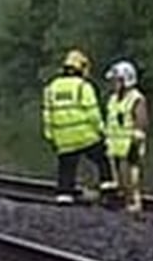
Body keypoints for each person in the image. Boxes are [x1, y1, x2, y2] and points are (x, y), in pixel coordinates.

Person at [42, 49, 114, 204]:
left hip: (63, 138)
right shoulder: (83, 86)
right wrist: (102, 130)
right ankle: (108, 191)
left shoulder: (51, 88)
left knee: (66, 166)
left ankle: (64, 195)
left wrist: (51, 136)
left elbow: (48, 114)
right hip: (85, 136)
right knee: (102, 159)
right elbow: (93, 113)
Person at [103, 60, 149, 213]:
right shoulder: (112, 99)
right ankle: (122, 202)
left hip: (130, 146)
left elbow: (141, 121)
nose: (113, 84)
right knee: (119, 181)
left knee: (131, 178)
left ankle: (134, 204)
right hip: (114, 146)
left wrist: (136, 141)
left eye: (116, 80)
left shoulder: (136, 99)